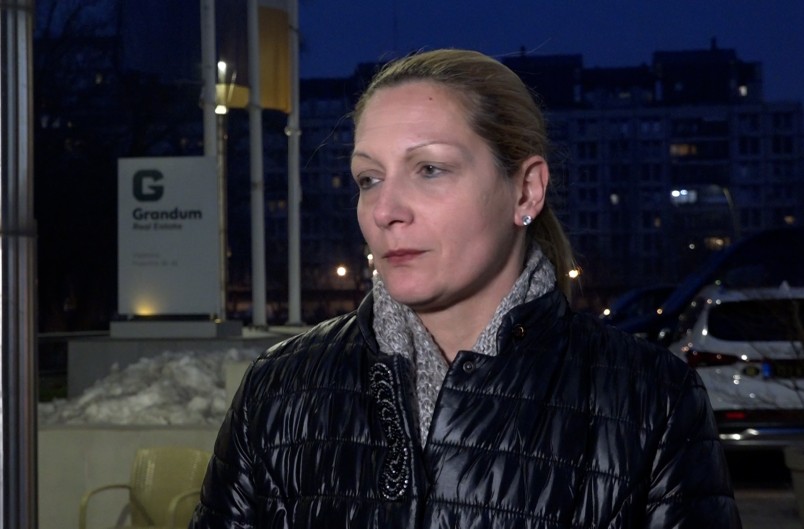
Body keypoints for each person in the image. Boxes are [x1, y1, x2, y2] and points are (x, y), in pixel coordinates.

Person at [190, 49, 741, 528]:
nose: (385, 210)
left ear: (526, 191)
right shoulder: (280, 387)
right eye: (369, 178)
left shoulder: (653, 400)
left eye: (429, 169)